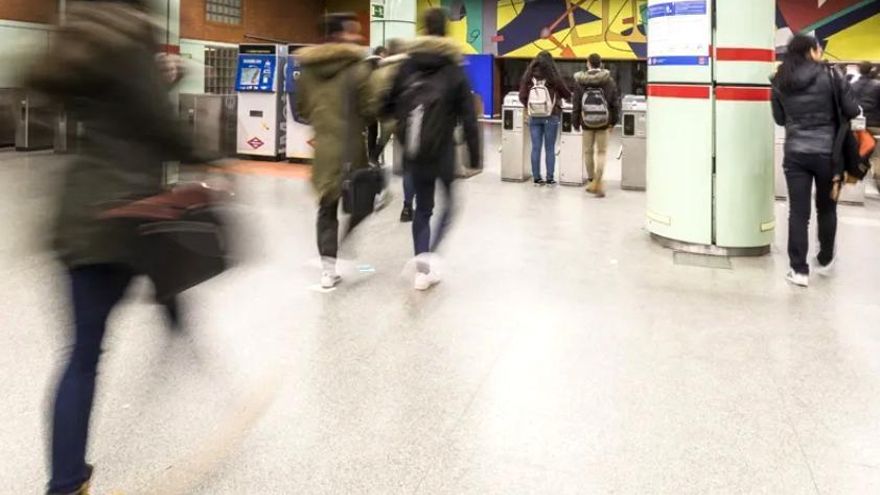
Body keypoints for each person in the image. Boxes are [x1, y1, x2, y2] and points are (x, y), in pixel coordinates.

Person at [25, 0, 198, 493]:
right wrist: (206, 154)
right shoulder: (132, 40)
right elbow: (160, 127)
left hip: (75, 216)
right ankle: (181, 325)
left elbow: (115, 114)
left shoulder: (76, 43)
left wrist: (155, 83)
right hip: (126, 215)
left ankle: (66, 482)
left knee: (80, 354)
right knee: (169, 259)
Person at [383, 7, 481, 290]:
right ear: (446, 30)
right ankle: (431, 259)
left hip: (415, 151)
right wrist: (474, 157)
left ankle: (421, 270)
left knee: (422, 209)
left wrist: (403, 134)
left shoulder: (407, 64)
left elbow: (386, 106)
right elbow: (468, 117)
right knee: (450, 205)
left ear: (423, 29)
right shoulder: (454, 67)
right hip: (443, 151)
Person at [771, 34, 860, 288]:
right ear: (812, 51)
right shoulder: (831, 76)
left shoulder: (780, 79)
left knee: (798, 213)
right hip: (829, 156)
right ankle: (825, 257)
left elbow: (779, 118)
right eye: (819, 49)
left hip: (796, 154)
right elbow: (852, 110)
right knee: (827, 208)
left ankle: (799, 270)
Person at [296, 13, 374, 289]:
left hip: (325, 151)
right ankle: (346, 240)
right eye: (354, 32)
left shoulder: (306, 69)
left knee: (326, 209)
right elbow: (370, 108)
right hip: (352, 150)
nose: (358, 38)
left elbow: (301, 110)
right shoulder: (358, 68)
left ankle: (328, 270)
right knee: (363, 202)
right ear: (340, 35)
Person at [366, 38, 413, 221]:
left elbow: (372, 96)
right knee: (410, 163)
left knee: (381, 142)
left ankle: (373, 160)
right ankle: (408, 206)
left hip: (384, 118)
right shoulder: (408, 69)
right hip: (405, 120)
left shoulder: (378, 71)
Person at [519, 50, 571, 185]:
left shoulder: (529, 76)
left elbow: (522, 96)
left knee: (536, 147)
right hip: (551, 115)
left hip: (533, 117)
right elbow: (565, 93)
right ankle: (550, 178)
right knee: (549, 148)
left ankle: (536, 177)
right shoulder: (553, 76)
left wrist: (530, 107)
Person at [572, 53, 620, 198]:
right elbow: (614, 104)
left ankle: (592, 180)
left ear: (588, 64)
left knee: (588, 151)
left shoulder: (580, 81)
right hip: (604, 122)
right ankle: (598, 182)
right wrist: (613, 121)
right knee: (601, 152)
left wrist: (575, 122)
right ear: (601, 64)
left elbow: (576, 104)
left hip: (586, 122)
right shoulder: (608, 81)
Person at [852, 61, 880, 172]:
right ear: (871, 69)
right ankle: (877, 173)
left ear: (859, 70)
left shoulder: (852, 85)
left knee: (859, 146)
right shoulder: (877, 85)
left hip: (857, 122)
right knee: (877, 152)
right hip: (875, 123)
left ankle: (858, 165)